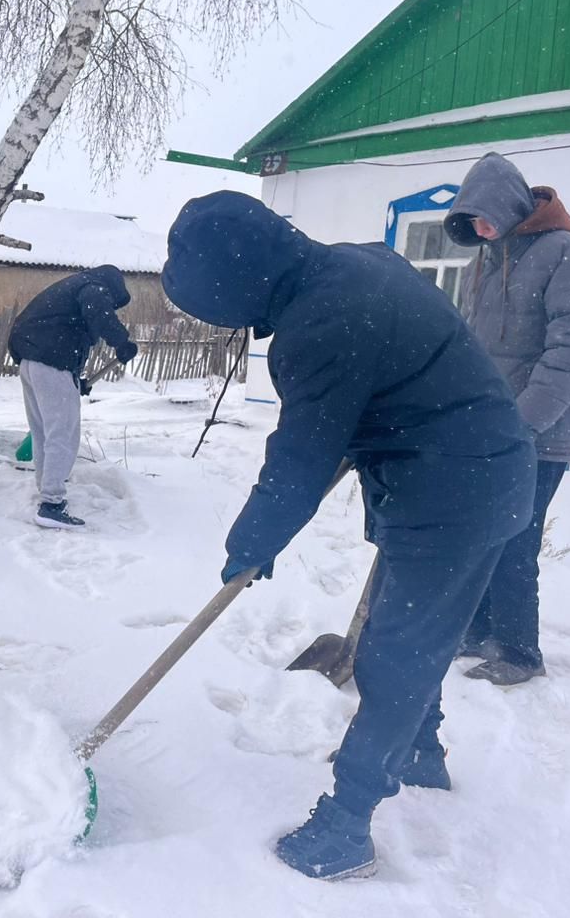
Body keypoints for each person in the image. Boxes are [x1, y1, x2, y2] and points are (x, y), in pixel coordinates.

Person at [162, 191, 536, 880]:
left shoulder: (321, 323)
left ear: (238, 284)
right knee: (414, 633)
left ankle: (346, 827)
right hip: (462, 476)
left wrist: (252, 541)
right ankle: (420, 752)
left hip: (456, 492)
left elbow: (301, 457)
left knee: (396, 655)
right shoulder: (352, 265)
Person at [444, 153, 570, 686]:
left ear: (508, 204)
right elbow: (473, 346)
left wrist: (523, 423)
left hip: (541, 432)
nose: (479, 229)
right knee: (482, 531)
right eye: (470, 221)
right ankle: (477, 632)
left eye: (484, 216)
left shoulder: (568, 255)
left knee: (514, 538)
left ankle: (519, 652)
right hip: (493, 429)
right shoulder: (487, 262)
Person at [7, 265, 138, 528]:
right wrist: (122, 342)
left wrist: (75, 380)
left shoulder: (69, 288)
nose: (112, 306)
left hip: (31, 362)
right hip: (51, 362)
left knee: (44, 433)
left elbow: (59, 330)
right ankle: (51, 504)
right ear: (111, 286)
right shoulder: (93, 287)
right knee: (63, 434)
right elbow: (98, 311)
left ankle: (47, 490)